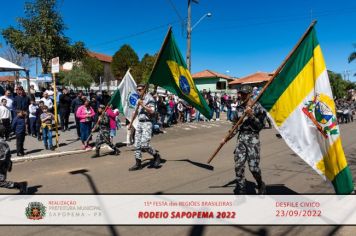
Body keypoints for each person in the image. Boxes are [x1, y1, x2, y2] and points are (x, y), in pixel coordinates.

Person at [223, 85, 267, 194]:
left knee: (253, 168)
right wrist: (226, 138)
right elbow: (235, 127)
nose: (240, 95)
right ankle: (241, 190)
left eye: (243, 94)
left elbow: (261, 126)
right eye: (240, 93)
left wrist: (251, 115)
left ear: (250, 94)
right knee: (238, 166)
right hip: (241, 139)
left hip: (253, 139)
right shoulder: (239, 108)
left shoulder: (258, 107)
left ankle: (261, 184)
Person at [128, 84, 161, 171]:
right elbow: (135, 112)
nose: (138, 91)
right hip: (139, 123)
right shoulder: (139, 99)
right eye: (137, 90)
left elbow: (152, 111)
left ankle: (156, 155)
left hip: (147, 122)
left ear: (144, 90)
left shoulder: (149, 98)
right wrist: (131, 123)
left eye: (140, 90)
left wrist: (142, 105)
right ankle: (138, 163)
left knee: (144, 144)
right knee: (137, 144)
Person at [0, 126, 28, 194]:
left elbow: (3, 157)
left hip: (2, 165)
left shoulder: (1, 143)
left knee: (1, 182)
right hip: (3, 164)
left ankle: (20, 185)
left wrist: (8, 165)